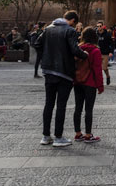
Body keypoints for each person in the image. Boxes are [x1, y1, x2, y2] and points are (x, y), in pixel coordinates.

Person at [34, 10, 88, 147]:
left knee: (49, 104)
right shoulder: (69, 31)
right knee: (61, 105)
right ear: (73, 21)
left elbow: (37, 44)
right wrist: (85, 55)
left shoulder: (48, 29)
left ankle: (46, 136)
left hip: (48, 71)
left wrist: (47, 56)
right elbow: (75, 50)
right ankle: (58, 137)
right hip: (64, 72)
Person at [73, 27, 104, 143]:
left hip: (77, 81)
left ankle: (77, 133)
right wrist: (100, 86)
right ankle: (88, 135)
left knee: (78, 108)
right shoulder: (95, 51)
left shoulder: (78, 49)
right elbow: (97, 70)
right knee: (88, 109)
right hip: (90, 82)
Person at [96, 21, 113, 86]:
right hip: (97, 53)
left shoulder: (107, 34)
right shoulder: (96, 34)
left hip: (105, 53)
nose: (99, 27)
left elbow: (111, 43)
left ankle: (108, 76)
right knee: (98, 68)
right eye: (97, 26)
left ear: (103, 26)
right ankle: (99, 81)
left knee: (104, 68)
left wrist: (111, 52)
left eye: (100, 26)